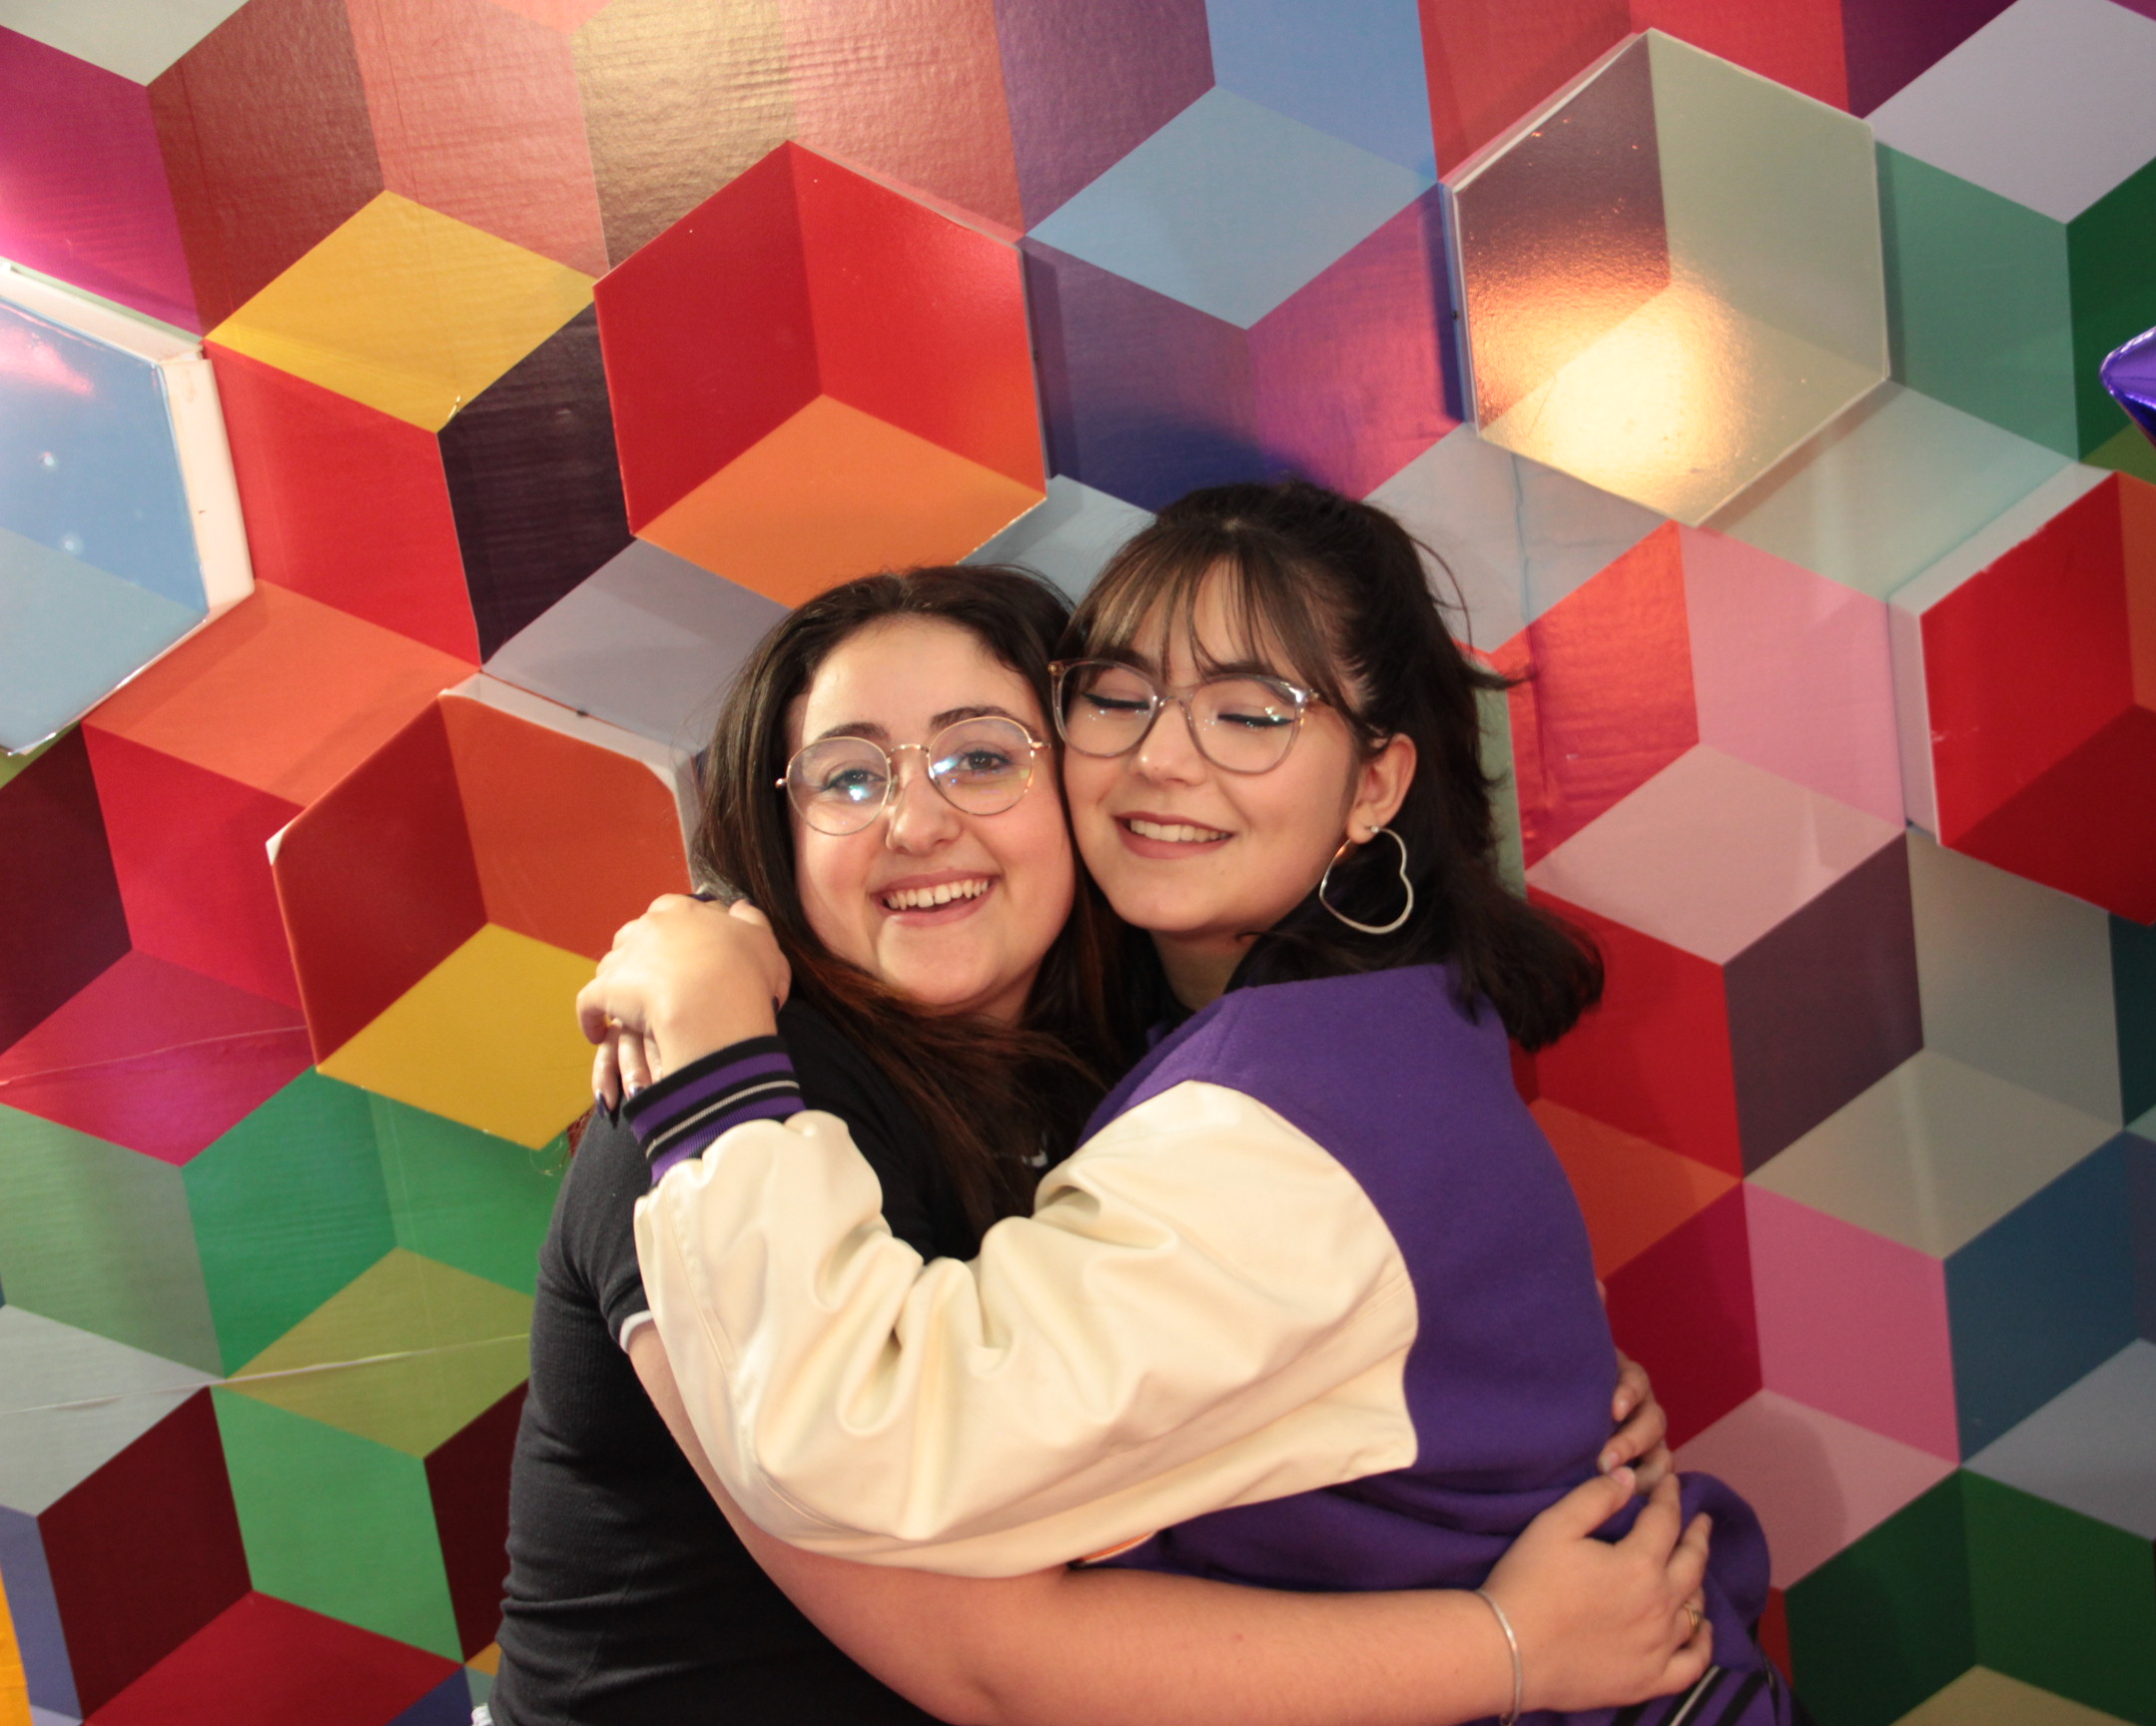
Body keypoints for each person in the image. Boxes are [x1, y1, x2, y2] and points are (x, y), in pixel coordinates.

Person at [590, 482, 1789, 1725]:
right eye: (1119, 698)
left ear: (1374, 786)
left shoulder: (1282, 1114)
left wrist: (710, 1051)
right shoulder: (1268, 1031)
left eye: (1251, 713)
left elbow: (860, 1444)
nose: (1162, 758)